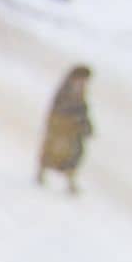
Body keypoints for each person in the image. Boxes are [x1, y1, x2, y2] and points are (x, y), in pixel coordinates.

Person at [36, 65, 95, 194]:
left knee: (74, 154)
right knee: (55, 151)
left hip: (72, 129)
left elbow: (82, 109)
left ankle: (70, 182)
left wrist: (85, 124)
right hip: (62, 126)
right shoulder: (67, 90)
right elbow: (62, 108)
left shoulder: (79, 90)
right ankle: (42, 174)